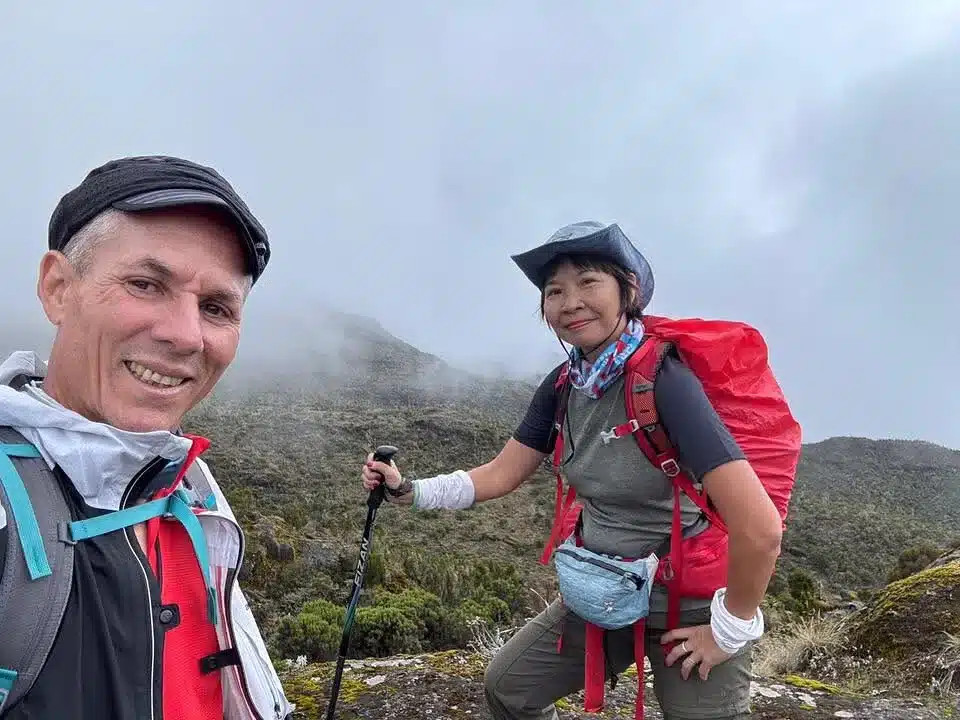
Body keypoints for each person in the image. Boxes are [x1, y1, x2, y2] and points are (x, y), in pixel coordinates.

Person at [360, 221, 790, 720]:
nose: (570, 302)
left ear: (627, 291)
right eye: (554, 291)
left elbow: (760, 530)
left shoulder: (664, 381)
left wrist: (728, 630)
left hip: (685, 603)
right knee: (509, 689)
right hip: (603, 590)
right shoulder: (565, 386)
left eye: (588, 282)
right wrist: (410, 490)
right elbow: (503, 473)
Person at [0, 155, 293, 719]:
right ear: (58, 288)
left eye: (216, 308)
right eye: (145, 284)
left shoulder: (188, 484)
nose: (186, 336)